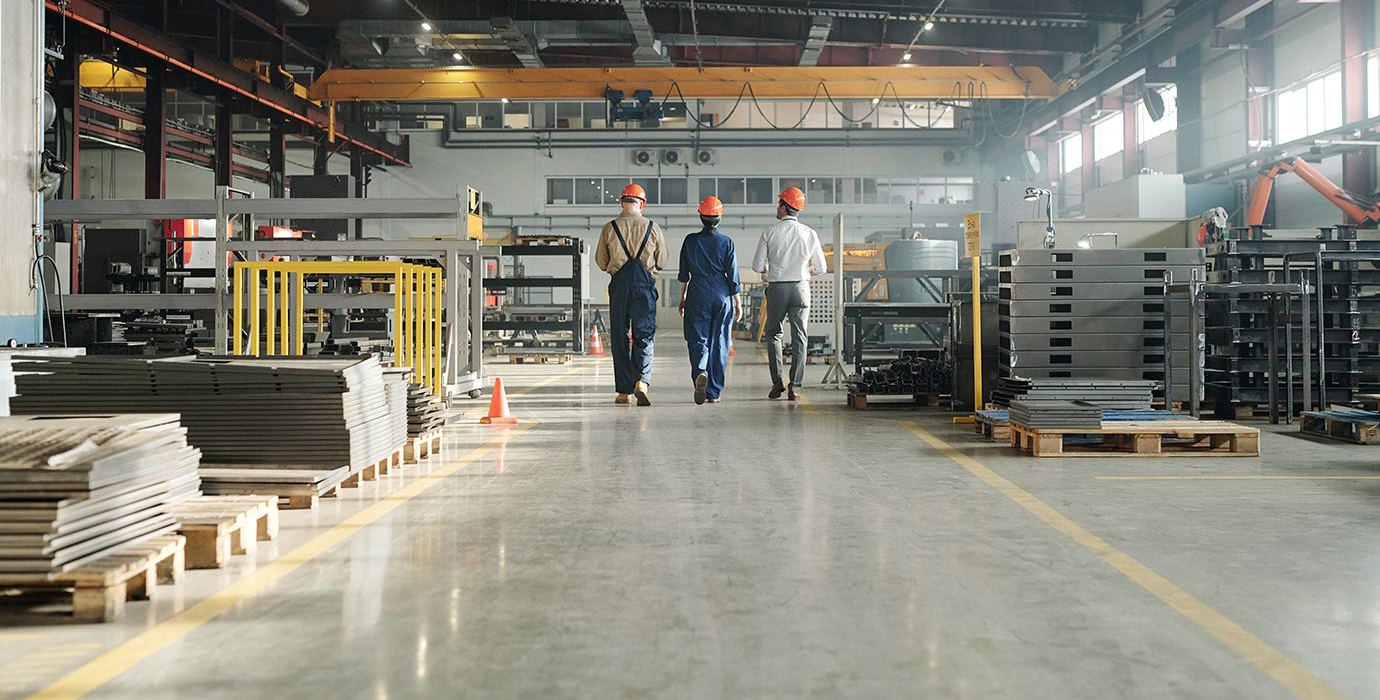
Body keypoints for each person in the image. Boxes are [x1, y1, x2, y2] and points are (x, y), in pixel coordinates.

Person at [595, 183, 667, 406]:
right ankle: (642, 382)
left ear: (622, 202)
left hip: (620, 286)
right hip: (644, 287)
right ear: (642, 204)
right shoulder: (653, 227)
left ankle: (624, 392)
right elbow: (662, 261)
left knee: (619, 336)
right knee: (643, 335)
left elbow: (601, 261)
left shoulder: (609, 227)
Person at [752, 186, 825, 402]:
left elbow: (757, 266)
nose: (777, 207)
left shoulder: (770, 232)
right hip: (801, 288)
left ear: (784, 207)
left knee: (774, 334)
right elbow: (821, 267)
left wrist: (774, 268)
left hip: (777, 288)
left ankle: (778, 382)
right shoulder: (810, 233)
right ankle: (796, 387)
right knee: (800, 338)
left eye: (778, 204)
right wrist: (804, 272)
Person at [677, 196, 742, 405]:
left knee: (698, 339)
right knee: (720, 342)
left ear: (701, 216)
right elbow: (733, 276)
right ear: (719, 216)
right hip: (721, 294)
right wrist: (738, 303)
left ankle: (700, 372)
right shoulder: (726, 242)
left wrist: (682, 298)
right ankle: (713, 392)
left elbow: (683, 274)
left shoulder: (690, 241)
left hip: (697, 291)